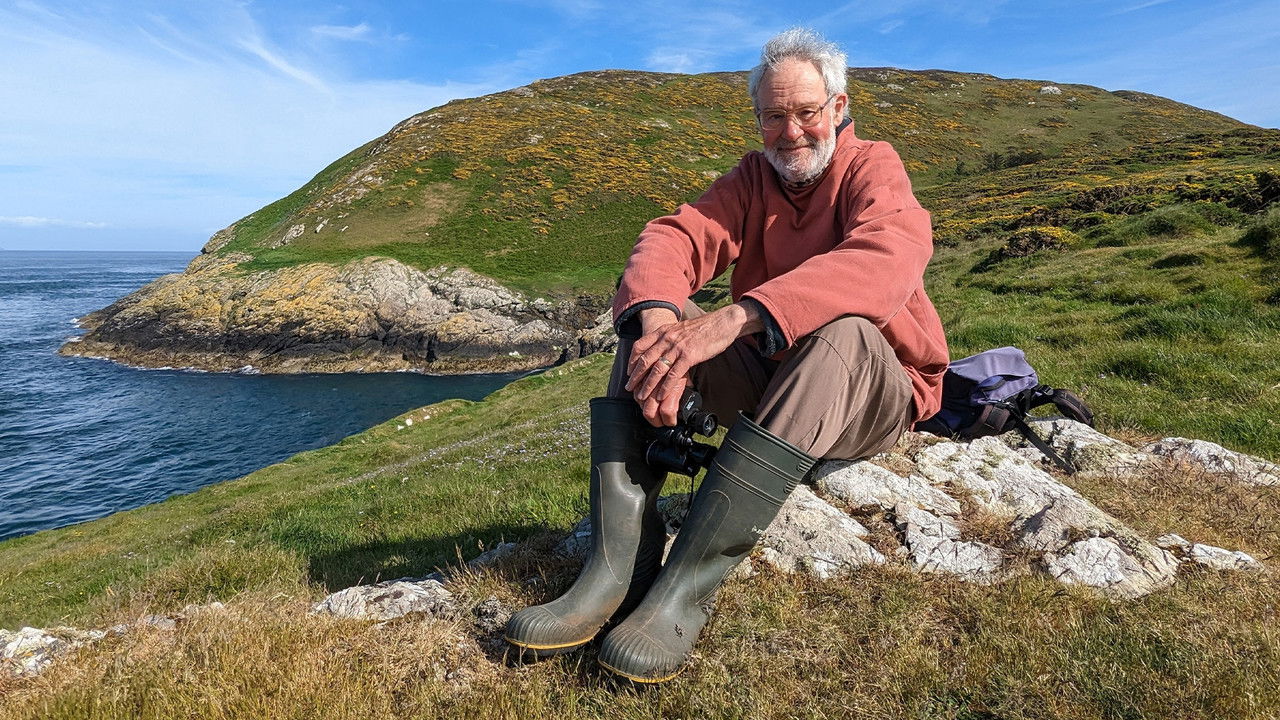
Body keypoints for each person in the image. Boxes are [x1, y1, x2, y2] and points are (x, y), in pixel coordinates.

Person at [506, 28, 949, 683]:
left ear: (838, 106)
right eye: (773, 116)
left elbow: (885, 263)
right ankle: (616, 566)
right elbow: (671, 238)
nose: (790, 132)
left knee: (845, 330)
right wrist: (661, 323)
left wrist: (736, 318)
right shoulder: (752, 177)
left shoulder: (873, 166)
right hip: (777, 384)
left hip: (870, 394)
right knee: (649, 319)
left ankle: (686, 591)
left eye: (805, 112)